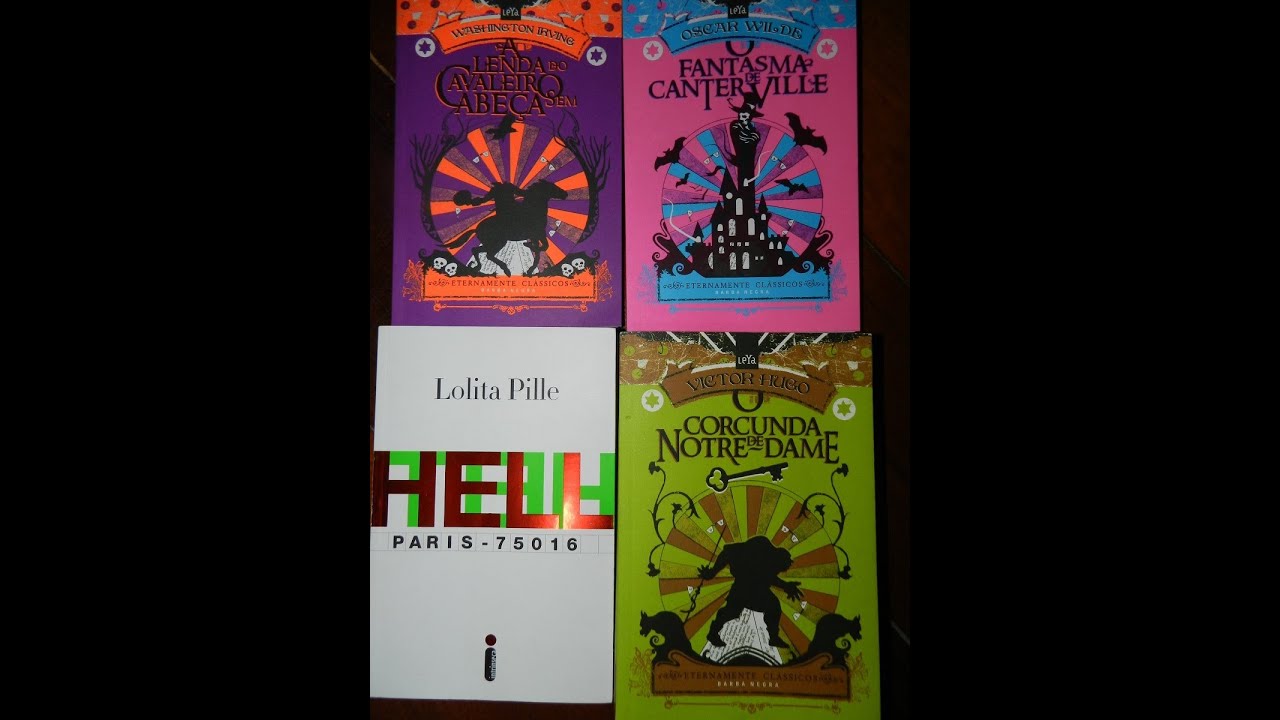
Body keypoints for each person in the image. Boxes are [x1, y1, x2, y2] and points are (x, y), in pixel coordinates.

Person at [697, 535, 803, 647]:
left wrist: (786, 586)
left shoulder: (771, 564)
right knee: (731, 612)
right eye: (782, 567)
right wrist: (712, 572)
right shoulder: (760, 546)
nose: (780, 571)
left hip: (757, 590)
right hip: (742, 587)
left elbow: (768, 577)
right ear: (777, 558)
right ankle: (713, 633)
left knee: (773, 606)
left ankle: (773, 638)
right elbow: (728, 552)